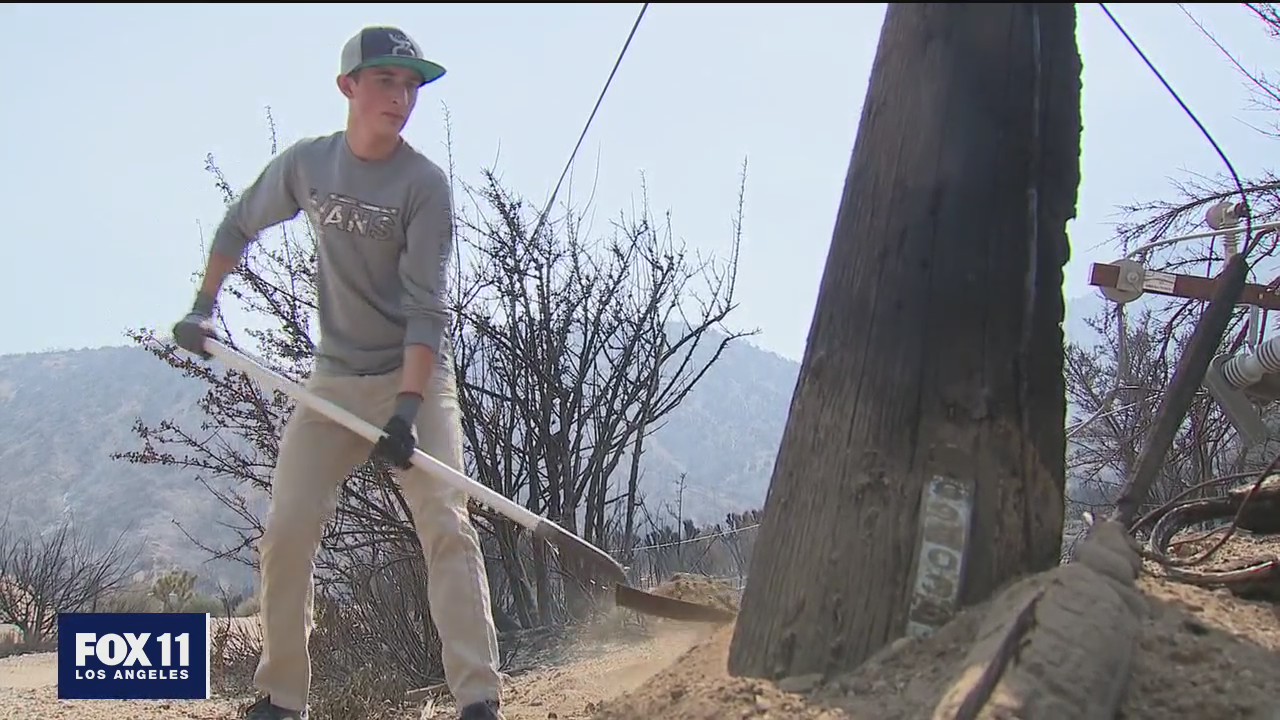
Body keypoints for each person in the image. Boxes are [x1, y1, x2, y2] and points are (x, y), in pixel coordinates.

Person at [171, 25, 504, 720]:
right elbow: (238, 225)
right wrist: (204, 306)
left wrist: (407, 409)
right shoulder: (309, 165)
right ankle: (280, 697)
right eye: (385, 80)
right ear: (348, 86)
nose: (401, 96)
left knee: (447, 522)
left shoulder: (424, 185)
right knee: (288, 528)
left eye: (411, 85)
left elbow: (427, 310)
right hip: (333, 383)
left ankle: (478, 698)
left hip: (414, 379)